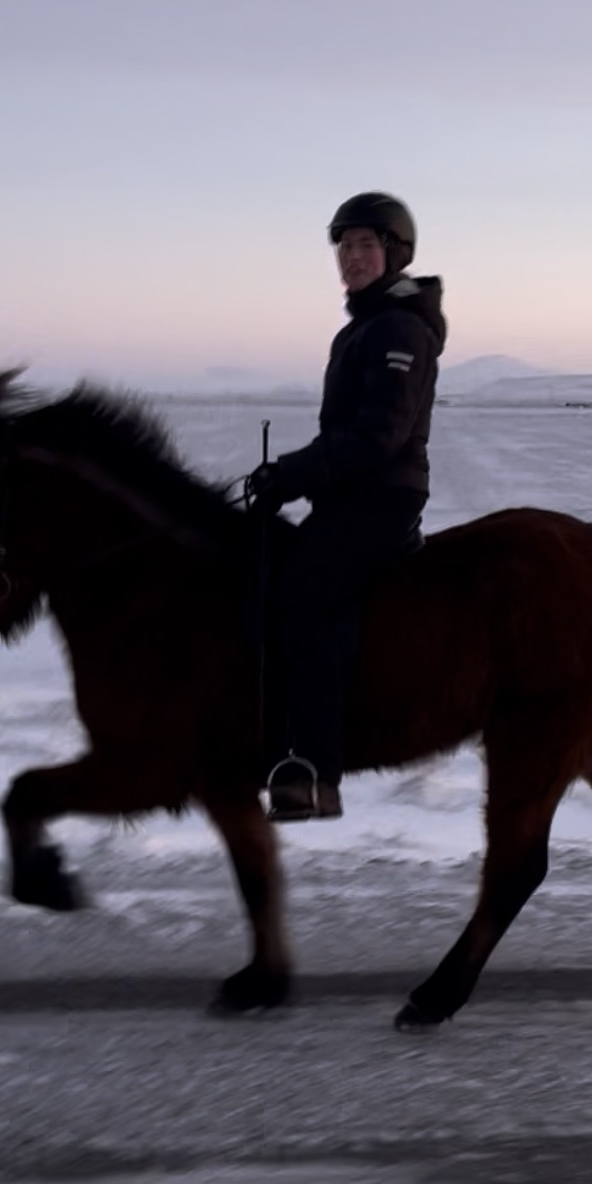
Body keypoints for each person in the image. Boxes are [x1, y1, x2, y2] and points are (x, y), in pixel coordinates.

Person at [245, 191, 446, 820]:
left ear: (393, 254)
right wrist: (289, 476)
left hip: (381, 499)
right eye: (345, 246)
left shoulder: (398, 329)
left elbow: (378, 436)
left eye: (365, 245)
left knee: (299, 600)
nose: (352, 257)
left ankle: (315, 772)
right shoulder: (361, 327)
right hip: (350, 497)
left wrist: (296, 472)